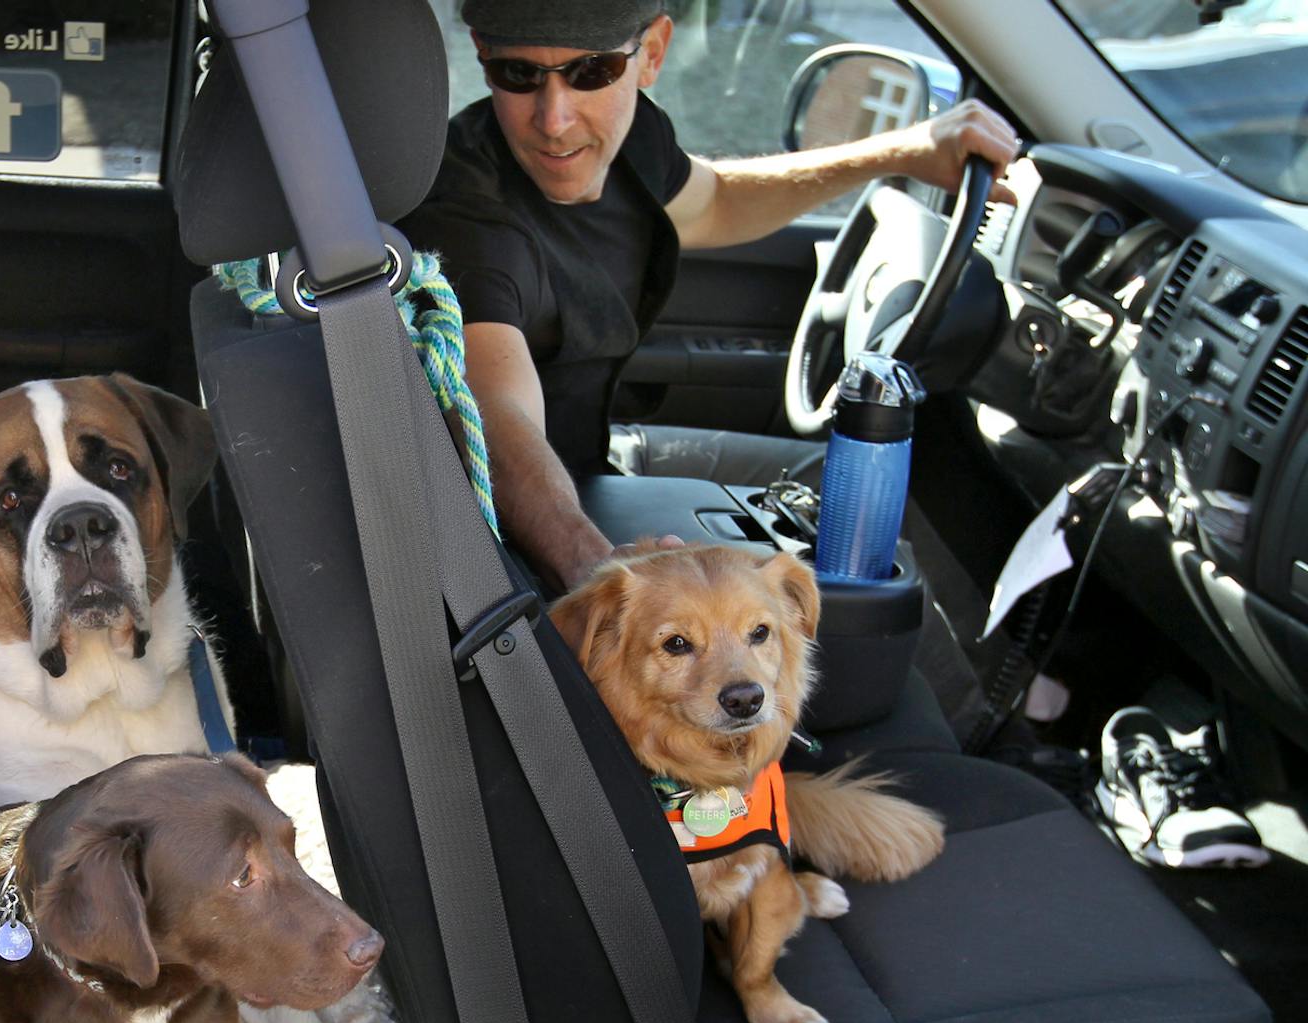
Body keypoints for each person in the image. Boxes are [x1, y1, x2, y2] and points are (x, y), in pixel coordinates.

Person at [404, 0, 1021, 590]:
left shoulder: (634, 141)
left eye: (593, 71)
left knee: (866, 490)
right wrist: (596, 569)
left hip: (596, 459)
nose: (554, 118)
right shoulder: (466, 213)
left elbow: (716, 201)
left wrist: (902, 153)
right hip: (536, 526)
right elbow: (490, 412)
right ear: (482, 55)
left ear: (652, 53)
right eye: (519, 74)